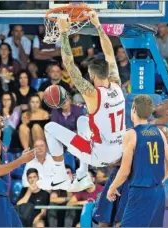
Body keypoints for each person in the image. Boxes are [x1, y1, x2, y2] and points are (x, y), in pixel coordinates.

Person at [37, 12, 124, 192]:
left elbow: (69, 64)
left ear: (92, 76)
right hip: (118, 150)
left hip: (98, 155)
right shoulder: (117, 84)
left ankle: (60, 177)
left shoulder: (92, 94)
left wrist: (63, 33)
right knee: (82, 121)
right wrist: (98, 26)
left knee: (49, 128)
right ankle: (83, 174)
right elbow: (109, 53)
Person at [106, 95, 168, 227]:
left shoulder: (131, 134)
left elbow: (125, 171)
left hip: (140, 191)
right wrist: (160, 180)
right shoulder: (159, 132)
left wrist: (112, 187)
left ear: (133, 109)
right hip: (159, 192)